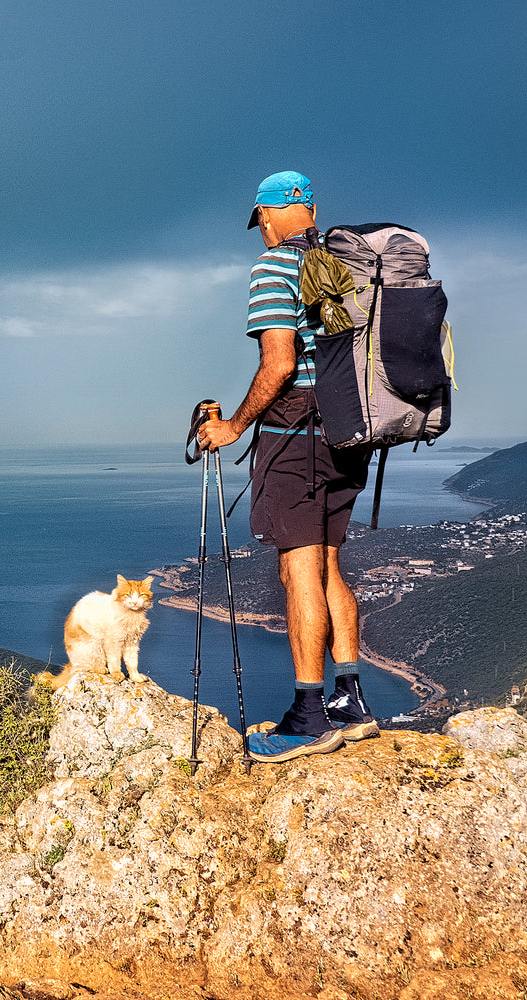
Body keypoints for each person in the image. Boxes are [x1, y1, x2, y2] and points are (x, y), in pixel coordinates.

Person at [195, 170, 380, 764]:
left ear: (269, 215)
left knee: (298, 568)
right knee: (328, 563)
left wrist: (232, 426)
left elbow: (278, 364)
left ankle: (308, 715)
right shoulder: (349, 263)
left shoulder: (273, 267)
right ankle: (350, 702)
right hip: (352, 430)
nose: (261, 231)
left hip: (296, 436)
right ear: (313, 211)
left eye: (260, 221)